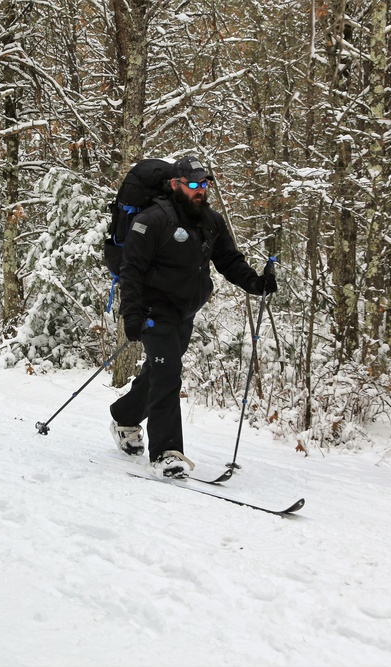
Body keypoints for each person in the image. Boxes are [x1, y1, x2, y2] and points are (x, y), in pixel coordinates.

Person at [109, 155, 278, 478]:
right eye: (193, 185)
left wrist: (256, 283)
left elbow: (229, 260)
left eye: (204, 184)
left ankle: (125, 416)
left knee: (160, 372)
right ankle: (167, 454)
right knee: (168, 372)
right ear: (175, 185)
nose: (200, 190)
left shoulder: (209, 220)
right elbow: (131, 270)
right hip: (151, 308)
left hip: (185, 309)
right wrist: (130, 314)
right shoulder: (152, 220)